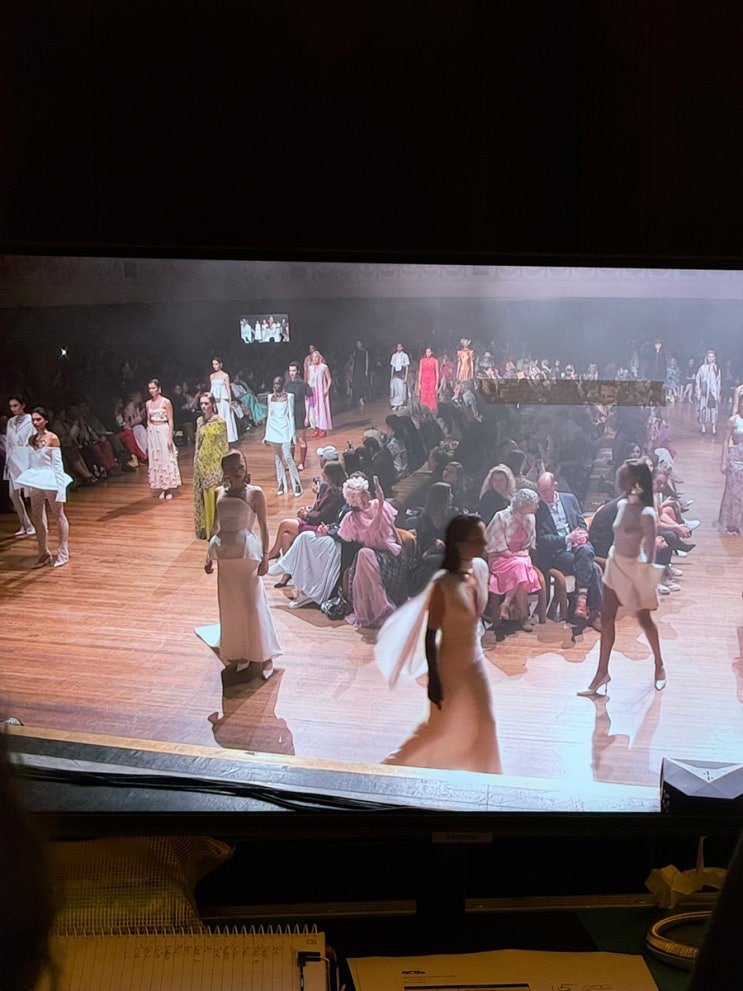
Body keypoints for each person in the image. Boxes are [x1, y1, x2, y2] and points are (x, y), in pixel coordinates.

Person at [376, 515, 501, 773]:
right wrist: (434, 680)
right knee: (437, 727)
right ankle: (386, 769)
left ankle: (489, 782)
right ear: (461, 544)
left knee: (486, 723)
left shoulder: (479, 570)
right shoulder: (443, 585)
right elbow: (430, 635)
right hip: (450, 668)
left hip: (475, 663)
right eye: (478, 539)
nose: (485, 543)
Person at [578, 460, 665, 696]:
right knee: (607, 618)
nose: (619, 480)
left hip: (634, 568)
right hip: (615, 563)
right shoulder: (622, 504)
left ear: (634, 480)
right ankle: (601, 673)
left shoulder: (647, 512)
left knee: (645, 621)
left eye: (624, 476)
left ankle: (659, 665)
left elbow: (650, 549)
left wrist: (645, 577)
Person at [203, 451, 281, 680]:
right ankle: (241, 653)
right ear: (225, 471)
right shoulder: (219, 493)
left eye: (241, 466)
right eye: (233, 467)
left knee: (253, 603)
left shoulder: (255, 493)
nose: (239, 470)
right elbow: (215, 526)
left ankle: (265, 655)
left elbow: (264, 526)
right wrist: (208, 556)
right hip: (225, 554)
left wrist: (265, 556)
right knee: (232, 605)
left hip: (247, 553)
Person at [535, 471, 603, 627]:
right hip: (557, 552)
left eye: (547, 490)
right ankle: (592, 611)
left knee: (585, 551)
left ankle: (580, 602)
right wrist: (567, 539)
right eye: (541, 491)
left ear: (555, 486)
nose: (544, 495)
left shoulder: (569, 499)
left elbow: (581, 522)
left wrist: (581, 533)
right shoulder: (538, 509)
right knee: (591, 567)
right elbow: (541, 539)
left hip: (578, 546)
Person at [338, 473, 405, 628]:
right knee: (364, 554)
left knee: (364, 555)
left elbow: (391, 527)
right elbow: (372, 530)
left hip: (387, 555)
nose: (368, 494)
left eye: (367, 491)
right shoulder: (353, 518)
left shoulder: (378, 505)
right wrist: (380, 504)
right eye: (364, 493)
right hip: (371, 556)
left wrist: (401, 548)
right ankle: (380, 607)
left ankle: (382, 607)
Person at [16, 406, 73, 568]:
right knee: (36, 515)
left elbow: (57, 465)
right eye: (33, 420)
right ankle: (43, 552)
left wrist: (60, 488)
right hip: (36, 479)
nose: (35, 422)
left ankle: (63, 551)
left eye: (38, 419)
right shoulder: (31, 439)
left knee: (58, 514)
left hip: (50, 479)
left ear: (46, 420)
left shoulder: (52, 438)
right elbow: (30, 462)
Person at [267, 460, 347, 569]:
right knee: (285, 536)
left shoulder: (337, 495)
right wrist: (308, 510)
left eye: (325, 472)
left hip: (321, 526)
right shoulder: (327, 487)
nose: (322, 474)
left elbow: (323, 516)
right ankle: (288, 570)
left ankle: (274, 552)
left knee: (284, 524)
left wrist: (306, 515)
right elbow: (319, 506)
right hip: (315, 520)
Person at [485, 487, 542, 632]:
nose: (537, 506)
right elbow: (496, 544)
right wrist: (514, 555)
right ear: (524, 504)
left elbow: (529, 544)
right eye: (534, 504)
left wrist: (520, 554)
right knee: (520, 566)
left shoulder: (531, 518)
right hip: (501, 558)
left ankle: (506, 604)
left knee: (520, 567)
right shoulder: (501, 517)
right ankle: (524, 617)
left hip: (521, 557)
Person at [193, 392, 229, 539]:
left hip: (216, 465)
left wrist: (224, 467)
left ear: (213, 404)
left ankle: (219, 532)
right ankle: (209, 533)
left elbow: (224, 445)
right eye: (201, 404)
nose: (203, 406)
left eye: (206, 403)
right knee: (206, 499)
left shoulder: (220, 422)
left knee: (216, 499)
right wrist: (196, 464)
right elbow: (198, 445)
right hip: (202, 465)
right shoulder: (199, 422)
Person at [262, 375, 302, 497]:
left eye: (278, 383)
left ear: (282, 385)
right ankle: (281, 483)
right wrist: (266, 435)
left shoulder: (289, 397)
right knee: (278, 457)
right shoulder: (270, 397)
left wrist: (293, 435)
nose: (275, 386)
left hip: (285, 429)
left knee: (288, 457)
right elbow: (270, 416)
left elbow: (291, 416)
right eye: (274, 383)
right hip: (273, 429)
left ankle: (296, 483)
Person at [145, 378, 181, 500]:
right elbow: (148, 421)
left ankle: (169, 488)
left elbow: (171, 420)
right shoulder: (148, 404)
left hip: (163, 431)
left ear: (159, 389)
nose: (151, 390)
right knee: (157, 459)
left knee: (166, 458)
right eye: (150, 388)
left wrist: (170, 437)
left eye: (153, 388)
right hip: (153, 432)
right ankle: (162, 487)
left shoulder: (166, 402)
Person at [4, 395, 35, 536]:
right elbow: (8, 442)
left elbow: (33, 440)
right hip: (13, 459)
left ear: (23, 405)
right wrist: (7, 461)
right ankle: (25, 524)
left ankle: (38, 524)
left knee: (32, 494)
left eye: (15, 405)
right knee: (13, 494)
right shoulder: (10, 422)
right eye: (11, 406)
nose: (13, 409)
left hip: (26, 457)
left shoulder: (30, 420)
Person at [719, 391, 743, 535]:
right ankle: (731, 523)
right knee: (732, 491)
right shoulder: (733, 420)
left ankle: (740, 522)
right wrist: (723, 461)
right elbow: (726, 441)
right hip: (735, 458)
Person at [284, 360, 312, 471]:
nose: (292, 373)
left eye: (294, 370)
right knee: (290, 440)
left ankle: (302, 462)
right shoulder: (287, 384)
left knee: (301, 439)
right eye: (290, 371)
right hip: (290, 414)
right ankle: (291, 463)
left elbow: (307, 400)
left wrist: (307, 416)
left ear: (298, 371)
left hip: (300, 413)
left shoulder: (303, 384)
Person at [209, 356, 238, 443]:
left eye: (216, 364)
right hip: (215, 400)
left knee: (225, 418)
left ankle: (228, 438)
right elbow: (212, 389)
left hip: (223, 400)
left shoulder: (225, 375)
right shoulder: (212, 376)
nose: (214, 366)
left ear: (220, 364)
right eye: (213, 364)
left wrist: (230, 401)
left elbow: (228, 388)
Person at [694, 348, 722, 436]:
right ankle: (703, 428)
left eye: (712, 356)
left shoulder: (716, 368)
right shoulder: (702, 368)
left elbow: (718, 382)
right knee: (703, 409)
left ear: (714, 358)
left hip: (712, 392)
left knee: (713, 410)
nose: (711, 358)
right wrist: (698, 391)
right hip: (704, 392)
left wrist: (718, 393)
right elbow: (697, 379)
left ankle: (713, 428)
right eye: (709, 356)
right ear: (706, 357)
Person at [308, 350, 333, 439]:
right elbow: (309, 379)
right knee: (313, 410)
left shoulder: (324, 367)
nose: (315, 359)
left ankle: (323, 429)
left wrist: (326, 390)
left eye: (316, 357)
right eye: (313, 357)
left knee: (321, 409)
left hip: (321, 391)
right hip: (313, 390)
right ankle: (316, 428)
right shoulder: (311, 368)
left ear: (319, 358)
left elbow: (329, 379)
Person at [417, 346, 440, 411]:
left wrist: (436, 384)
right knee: (424, 395)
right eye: (427, 352)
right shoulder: (422, 361)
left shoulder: (435, 361)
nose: (428, 353)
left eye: (429, 352)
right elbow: (420, 372)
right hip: (424, 380)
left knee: (431, 394)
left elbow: (437, 372)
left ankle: (431, 409)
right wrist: (419, 383)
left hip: (432, 380)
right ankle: (423, 409)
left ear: (431, 352)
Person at [389, 342, 410, 409]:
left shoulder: (405, 356)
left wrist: (406, 377)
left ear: (402, 347)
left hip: (401, 373)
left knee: (401, 390)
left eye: (400, 347)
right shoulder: (394, 356)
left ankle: (401, 404)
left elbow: (406, 366)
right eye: (398, 347)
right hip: (395, 374)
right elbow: (392, 367)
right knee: (395, 389)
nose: (399, 348)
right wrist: (391, 376)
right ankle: (395, 404)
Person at [350, 340, 370, 407]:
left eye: (359, 343)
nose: (358, 344)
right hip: (355, 369)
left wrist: (366, 370)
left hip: (362, 369)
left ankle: (361, 398)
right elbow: (353, 361)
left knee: (362, 384)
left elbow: (367, 361)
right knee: (356, 384)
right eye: (357, 343)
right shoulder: (355, 352)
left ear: (361, 344)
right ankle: (356, 398)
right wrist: (352, 369)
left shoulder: (365, 352)